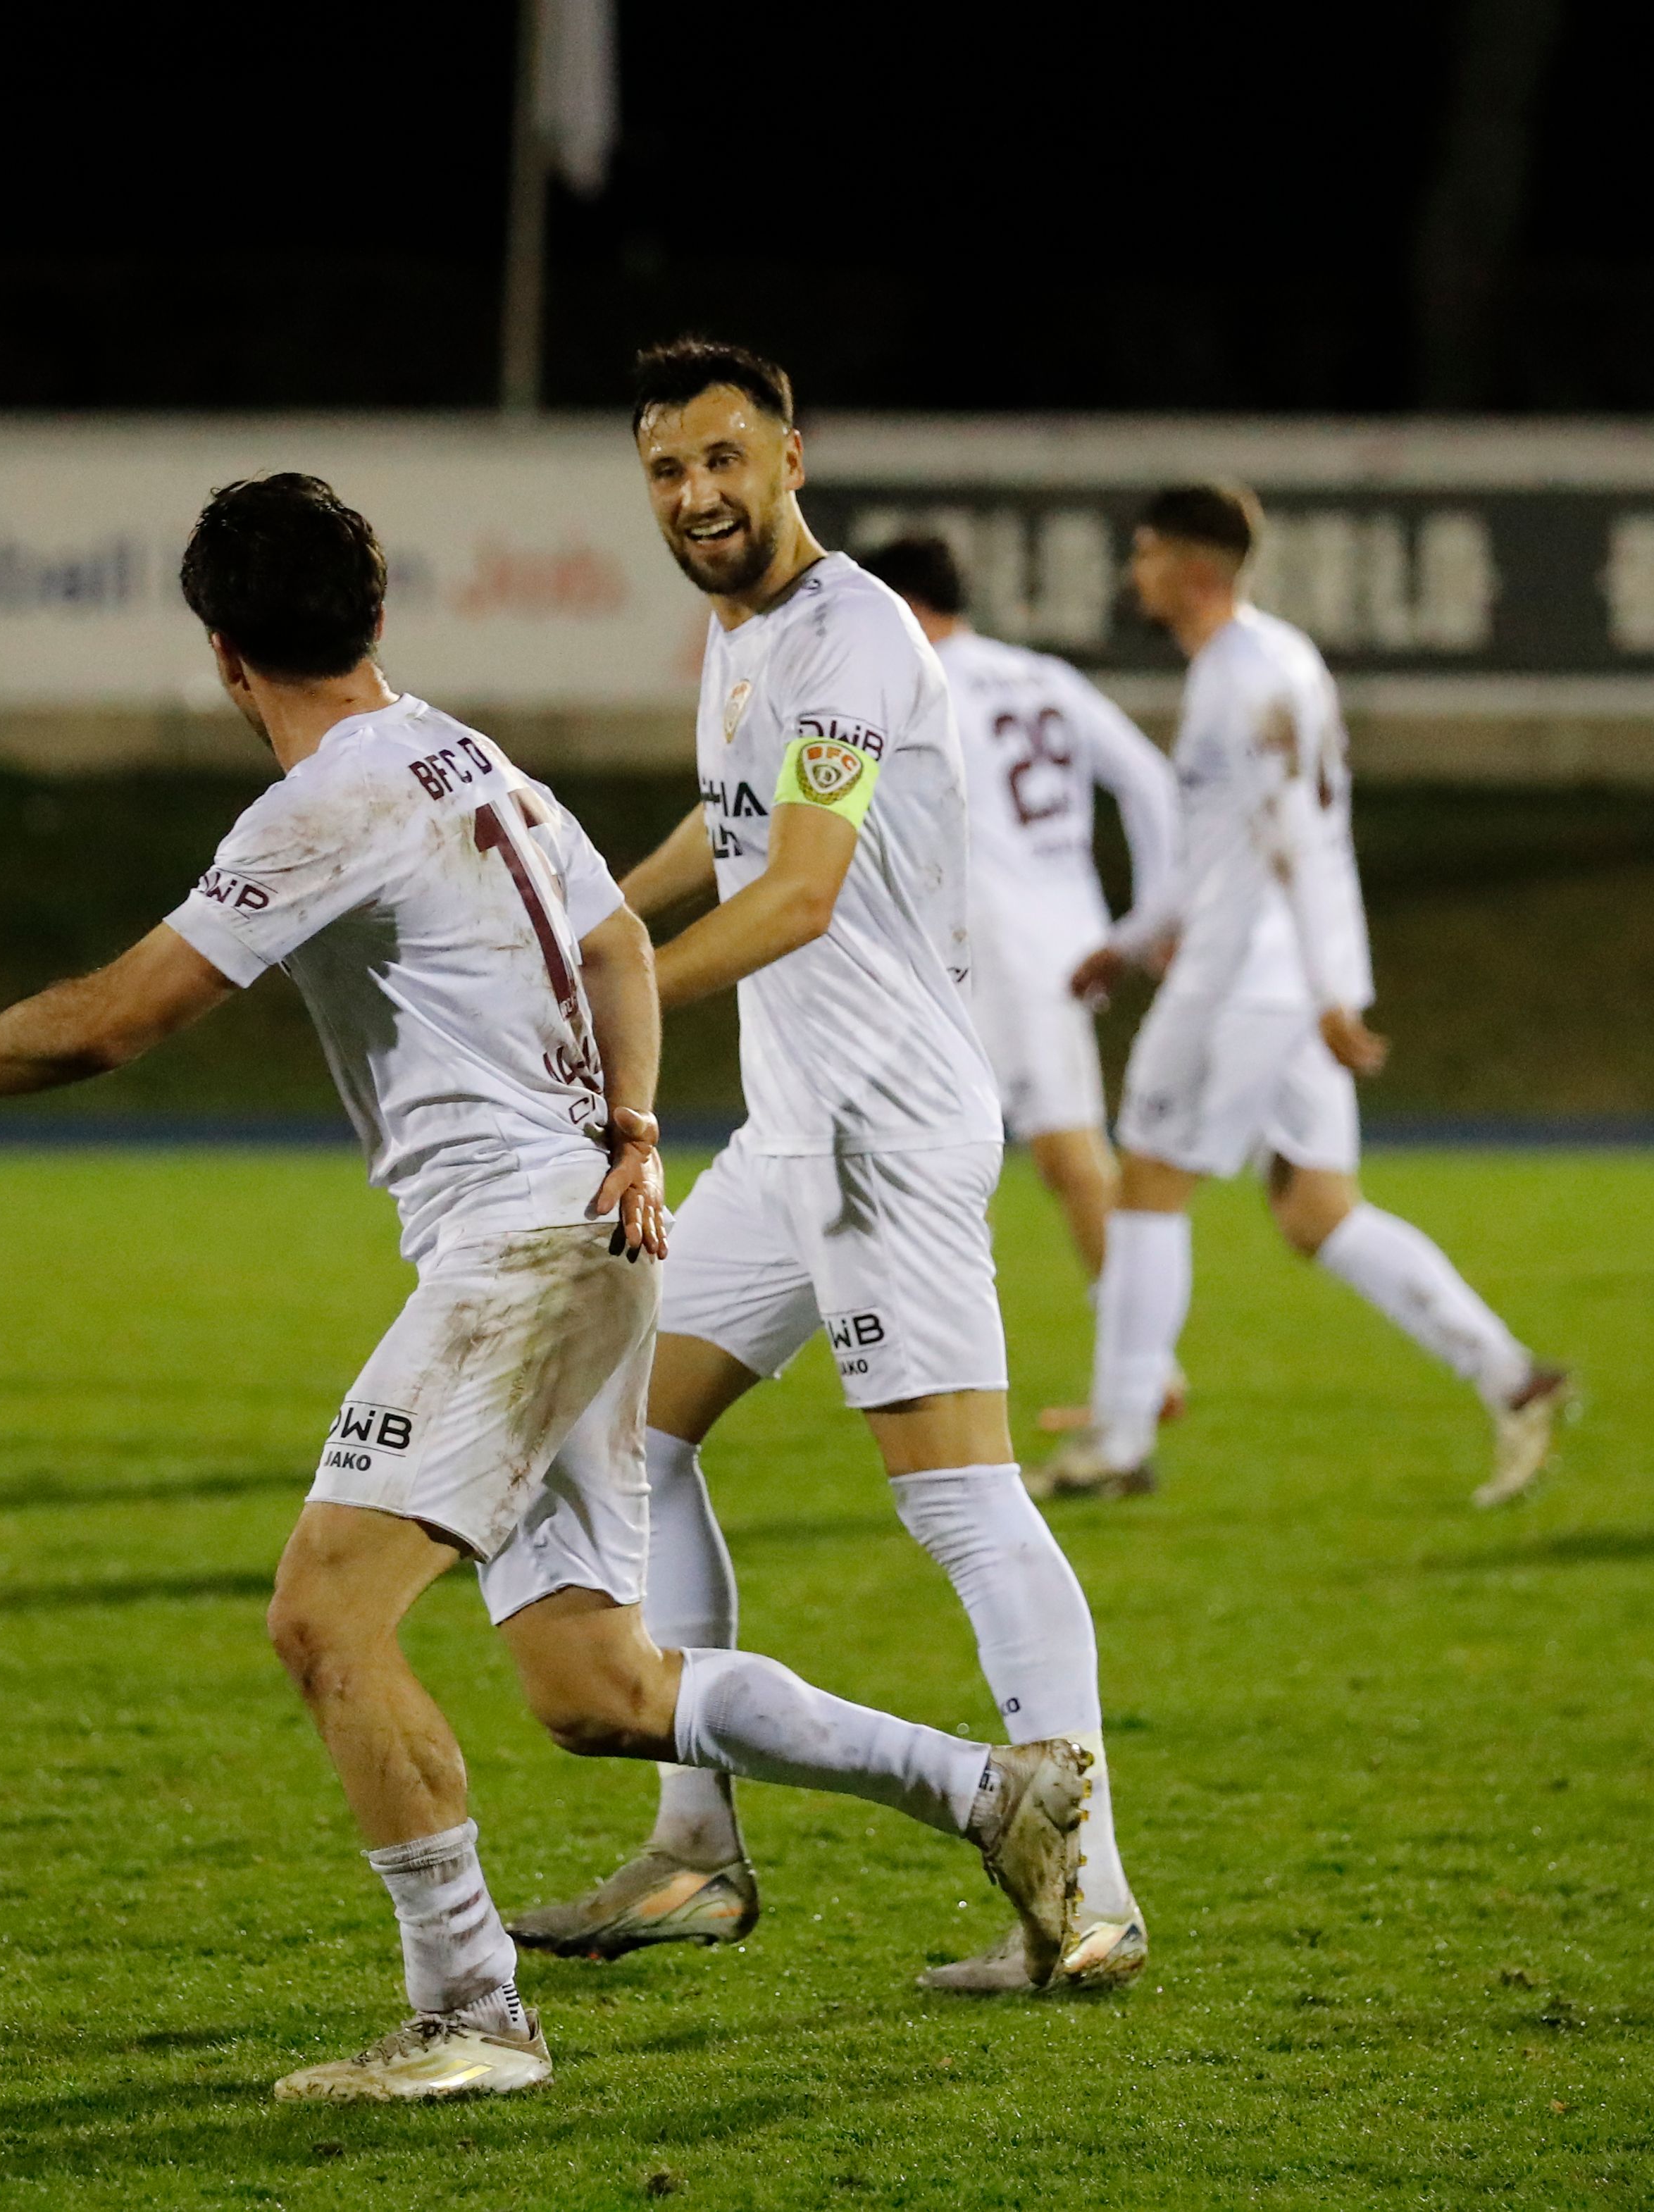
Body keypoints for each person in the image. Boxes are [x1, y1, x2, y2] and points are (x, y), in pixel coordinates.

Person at [0, 472, 1096, 2102]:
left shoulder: (327, 799)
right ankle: (991, 1791)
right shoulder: (474, 757)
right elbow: (616, 940)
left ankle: (473, 2007)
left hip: (526, 1259)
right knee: (594, 1685)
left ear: (221, 656)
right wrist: (628, 1124)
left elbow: (114, 1018)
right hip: (595, 1231)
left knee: (325, 1616)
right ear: (376, 614)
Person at [506, 342, 1145, 1996]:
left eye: (725, 458)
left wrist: (617, 1000)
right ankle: (691, 1850)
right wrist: (588, 925)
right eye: (665, 471)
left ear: (790, 454)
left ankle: (1089, 1891)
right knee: (626, 1440)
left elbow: (794, 892)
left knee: (958, 1497)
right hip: (789, 1135)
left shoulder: (849, 631)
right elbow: (721, 838)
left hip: (882, 1127)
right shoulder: (737, 639)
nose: (697, 495)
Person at [1038, 485, 1572, 1509]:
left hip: (1242, 983)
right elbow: (1245, 845)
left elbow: (1294, 845)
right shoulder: (1276, 662)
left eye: (1147, 555)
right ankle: (1509, 1375)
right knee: (1318, 1212)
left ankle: (1117, 1438)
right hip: (1276, 977)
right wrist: (1134, 940)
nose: (1132, 573)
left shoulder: (1242, 682)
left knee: (1147, 1183)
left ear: (1195, 570)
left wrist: (1335, 989)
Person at [857, 533, 1180, 1285]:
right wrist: (1155, 911)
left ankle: (1134, 1370)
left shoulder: (915, 681)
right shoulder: (1045, 675)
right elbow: (1151, 783)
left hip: (985, 942)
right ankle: (1126, 1365)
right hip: (1064, 932)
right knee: (1016, 1150)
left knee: (993, 1153)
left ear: (901, 605)